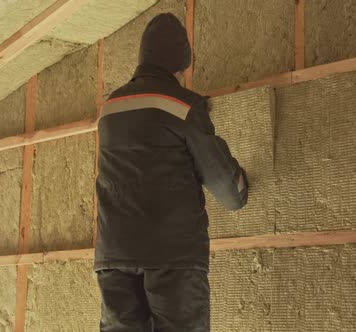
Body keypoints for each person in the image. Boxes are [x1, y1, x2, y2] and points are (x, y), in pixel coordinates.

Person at [94, 13, 249, 332]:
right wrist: (241, 186)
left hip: (114, 257)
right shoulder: (183, 106)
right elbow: (226, 187)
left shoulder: (110, 108)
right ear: (179, 64)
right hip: (171, 257)